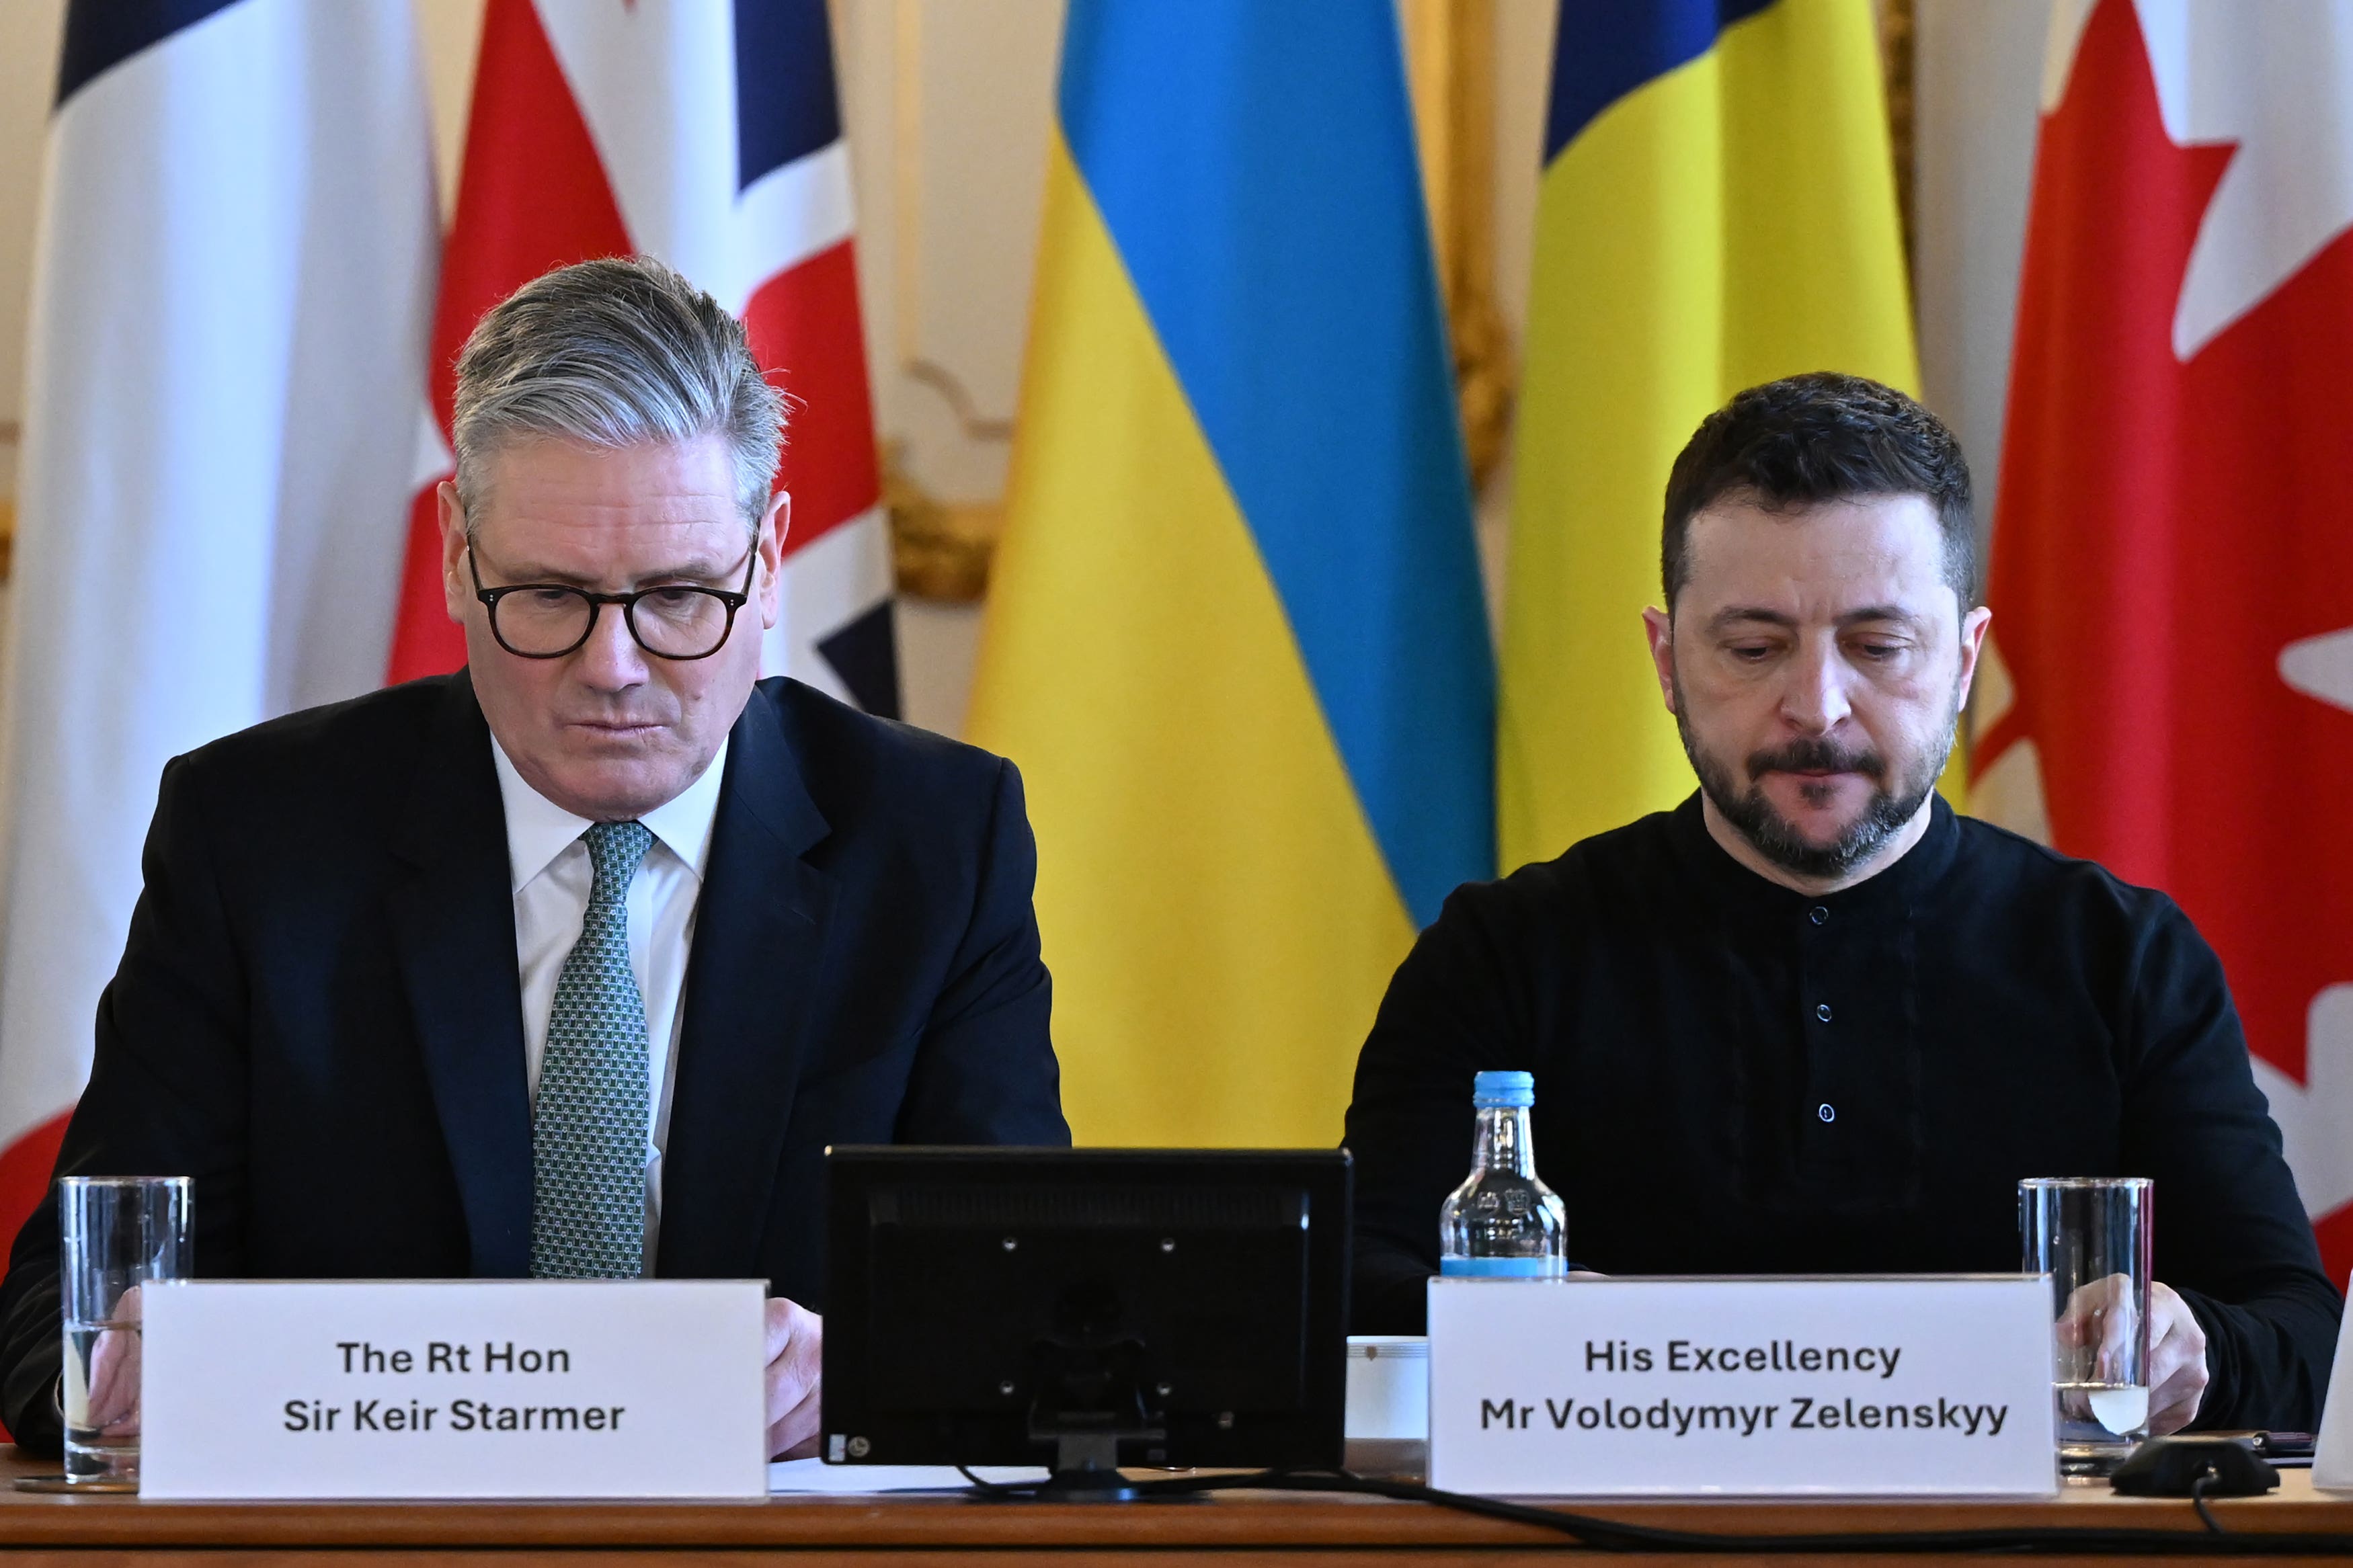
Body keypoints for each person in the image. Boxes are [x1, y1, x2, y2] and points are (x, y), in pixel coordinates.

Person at [0, 257, 1068, 1458]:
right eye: (550, 596)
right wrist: (123, 1371)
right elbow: (61, 1316)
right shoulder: (257, 835)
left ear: (768, 558)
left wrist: (872, 1368)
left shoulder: (933, 841)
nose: (614, 664)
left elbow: (1027, 1306)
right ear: (459, 548)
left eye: (677, 596)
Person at [1344, 372, 2342, 1433]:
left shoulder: (2123, 959)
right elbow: (1343, 1293)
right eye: (1753, 647)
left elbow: (2302, 1336)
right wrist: (1559, 1333)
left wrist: (2195, 1343)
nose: (1816, 707)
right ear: (1666, 659)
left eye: (1877, 646)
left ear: (1964, 660)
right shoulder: (1499, 956)